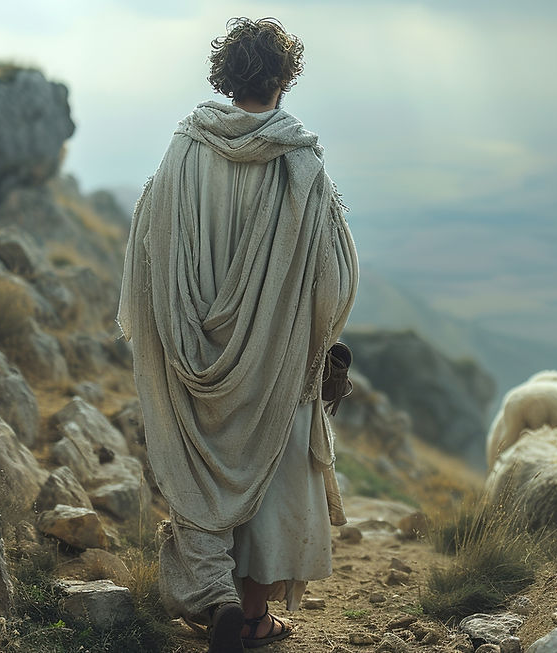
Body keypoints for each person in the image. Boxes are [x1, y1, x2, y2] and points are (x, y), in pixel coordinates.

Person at [118, 17, 358, 653]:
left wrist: (176, 330)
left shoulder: (185, 149)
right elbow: (331, 274)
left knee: (200, 467)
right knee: (271, 470)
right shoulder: (299, 161)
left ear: (226, 77)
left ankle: (215, 597)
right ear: (284, 79)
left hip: (190, 346)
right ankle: (251, 616)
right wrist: (316, 341)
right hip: (276, 351)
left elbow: (150, 245)